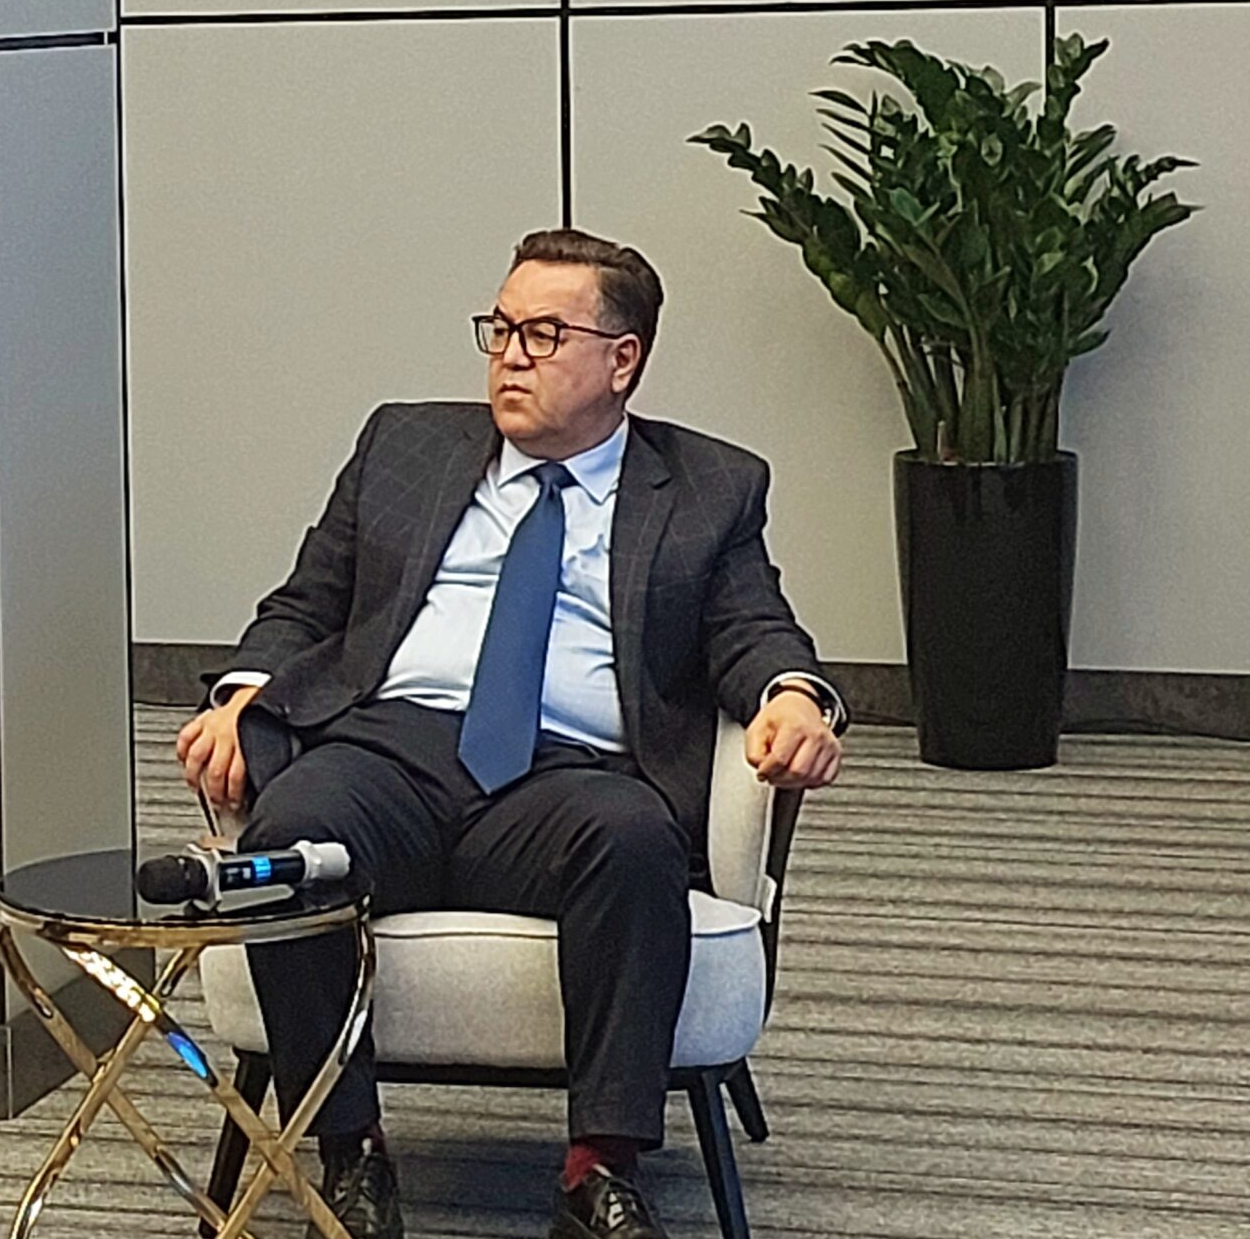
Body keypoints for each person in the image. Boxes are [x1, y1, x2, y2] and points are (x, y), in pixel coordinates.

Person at [176, 230, 844, 1239]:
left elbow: (753, 628)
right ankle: (351, 1154)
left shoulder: (709, 487)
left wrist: (792, 697)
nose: (510, 357)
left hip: (565, 778)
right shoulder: (403, 447)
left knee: (634, 839)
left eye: (543, 334)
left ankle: (597, 1170)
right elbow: (304, 604)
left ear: (622, 360)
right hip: (387, 754)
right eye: (500, 329)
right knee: (292, 832)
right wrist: (241, 695)